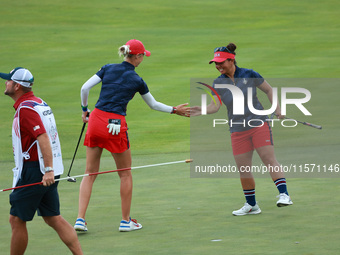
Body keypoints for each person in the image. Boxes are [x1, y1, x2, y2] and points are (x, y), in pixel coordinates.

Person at [74, 39, 190, 232]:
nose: (143, 59)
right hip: (115, 125)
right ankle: (125, 221)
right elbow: (153, 105)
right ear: (136, 56)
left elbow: (84, 88)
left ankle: (80, 219)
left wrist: (85, 110)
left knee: (90, 173)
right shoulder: (137, 80)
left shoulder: (108, 68)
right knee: (125, 173)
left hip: (95, 120)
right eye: (143, 55)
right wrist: (174, 110)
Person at [190, 43, 293, 216]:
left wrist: (277, 108)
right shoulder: (218, 82)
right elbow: (214, 107)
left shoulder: (249, 74)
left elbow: (268, 90)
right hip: (237, 129)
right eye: (216, 63)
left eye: (221, 62)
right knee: (244, 169)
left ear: (232, 60)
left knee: (268, 159)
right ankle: (252, 205)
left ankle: (284, 194)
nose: (218, 66)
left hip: (258, 123)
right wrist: (199, 110)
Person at [1, 67, 83, 254]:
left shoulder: (25, 109)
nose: (5, 83)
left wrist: (47, 170)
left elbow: (43, 137)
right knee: (52, 217)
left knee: (16, 219)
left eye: (8, 81)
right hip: (49, 168)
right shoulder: (39, 103)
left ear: (16, 86)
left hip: (37, 170)